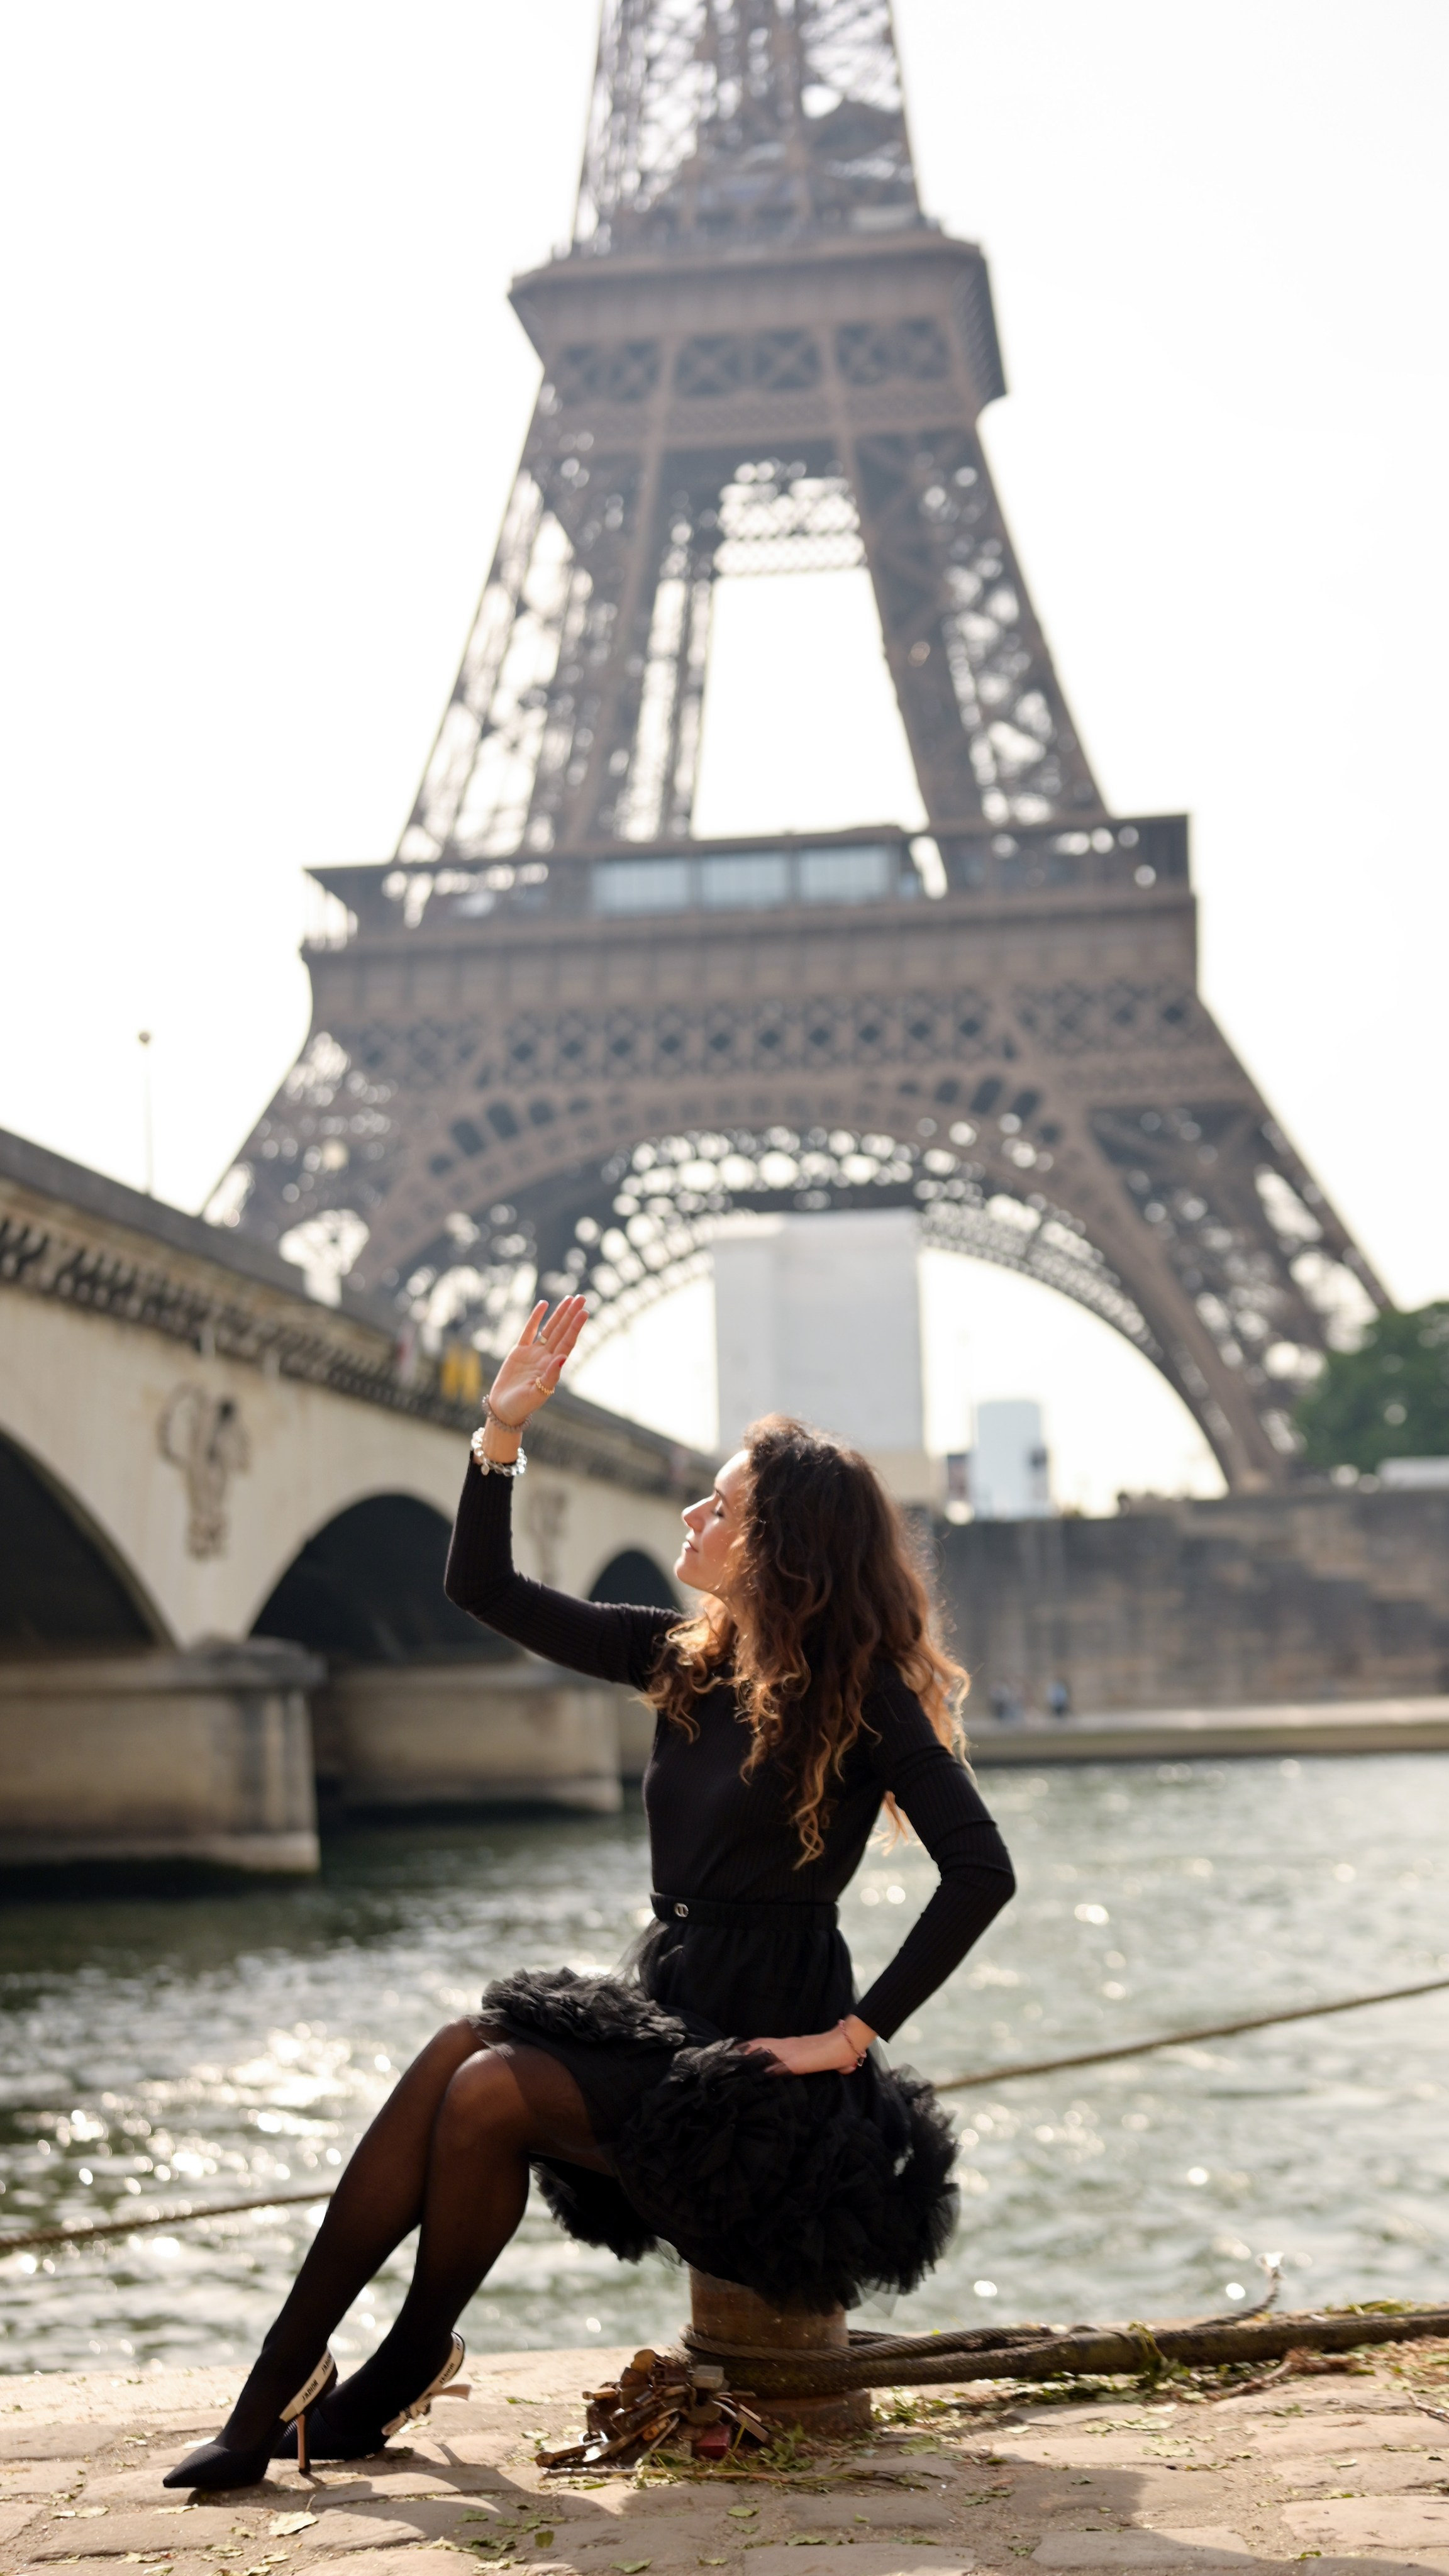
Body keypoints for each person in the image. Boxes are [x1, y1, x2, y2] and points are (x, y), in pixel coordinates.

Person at [168, 1296, 1015, 2492]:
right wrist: (500, 1435)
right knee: (461, 2047)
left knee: (490, 2089)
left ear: (781, 1545)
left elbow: (982, 1871)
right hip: (670, 2009)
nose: (693, 1517)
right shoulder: (683, 1658)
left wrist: (851, 2035)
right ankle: (276, 2388)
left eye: (720, 1506)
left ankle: (395, 2365)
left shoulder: (865, 1695)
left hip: (760, 2060)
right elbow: (482, 1587)